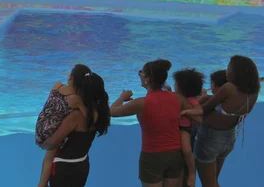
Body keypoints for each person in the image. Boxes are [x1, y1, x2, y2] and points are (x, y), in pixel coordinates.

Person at [110, 59, 202, 187]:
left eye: (141, 74)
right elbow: (198, 117)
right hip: (175, 154)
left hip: (152, 157)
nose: (140, 77)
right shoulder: (177, 98)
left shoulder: (140, 103)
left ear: (147, 79)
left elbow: (111, 112)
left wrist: (122, 98)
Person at [184, 55, 261, 187]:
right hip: (229, 138)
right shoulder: (254, 92)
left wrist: (185, 111)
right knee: (213, 181)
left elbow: (204, 109)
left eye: (229, 68)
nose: (227, 72)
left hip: (210, 138)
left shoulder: (228, 88)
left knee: (208, 184)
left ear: (237, 72)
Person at [40, 71, 111, 187]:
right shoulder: (100, 112)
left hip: (64, 170)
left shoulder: (76, 117)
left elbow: (52, 143)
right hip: (82, 165)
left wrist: (43, 143)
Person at [35, 64, 91, 187]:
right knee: (51, 155)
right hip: (52, 132)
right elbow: (87, 116)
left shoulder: (57, 85)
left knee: (48, 156)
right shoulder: (75, 99)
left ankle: (42, 184)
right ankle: (42, 184)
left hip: (41, 127)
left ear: (70, 77)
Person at [173, 69, 205, 187]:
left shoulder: (191, 100)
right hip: (177, 129)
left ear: (183, 88)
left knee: (187, 150)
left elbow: (199, 111)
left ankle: (192, 173)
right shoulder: (178, 97)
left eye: (176, 84)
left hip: (184, 130)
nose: (174, 85)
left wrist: (186, 111)